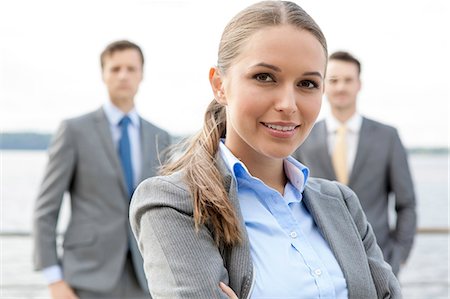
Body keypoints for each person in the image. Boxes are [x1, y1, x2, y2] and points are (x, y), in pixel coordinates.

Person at [130, 1, 401, 298]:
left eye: (307, 83)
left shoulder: (342, 203)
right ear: (220, 85)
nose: (288, 103)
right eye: (264, 77)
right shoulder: (175, 203)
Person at [33, 40, 171, 299]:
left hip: (147, 277)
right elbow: (45, 211)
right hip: (86, 277)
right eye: (115, 68)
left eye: (131, 68)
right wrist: (54, 281)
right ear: (103, 74)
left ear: (141, 74)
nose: (123, 75)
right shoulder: (74, 131)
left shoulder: (159, 137)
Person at [293, 50, 417, 276]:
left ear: (359, 84)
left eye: (348, 80)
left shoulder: (388, 137)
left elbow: (406, 203)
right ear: (323, 85)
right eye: (333, 80)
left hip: (379, 264)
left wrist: (398, 257)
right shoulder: (302, 137)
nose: (341, 87)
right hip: (319, 266)